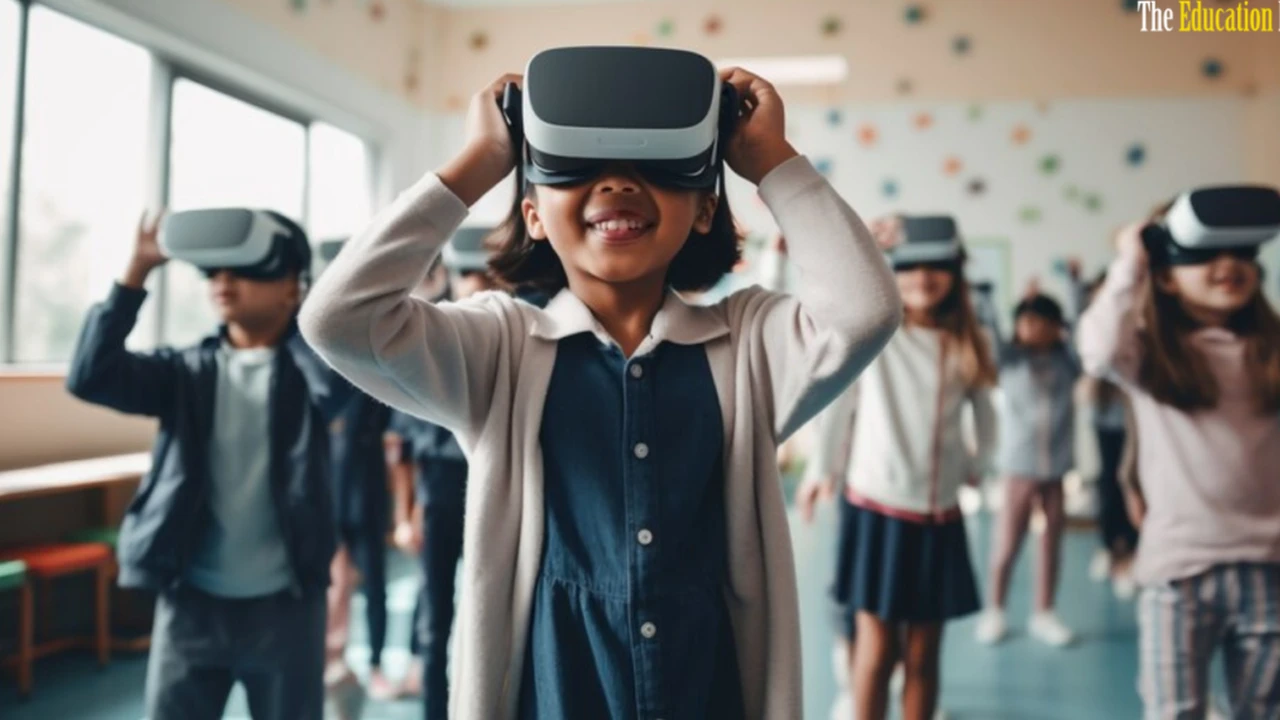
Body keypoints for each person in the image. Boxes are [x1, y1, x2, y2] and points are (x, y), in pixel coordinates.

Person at [300, 56, 901, 718]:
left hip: (705, 686)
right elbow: (339, 319)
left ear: (705, 211)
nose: (618, 183)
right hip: (554, 687)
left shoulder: (748, 346)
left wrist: (772, 160)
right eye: (579, 169)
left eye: (653, 168)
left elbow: (864, 310)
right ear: (532, 215)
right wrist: (477, 163)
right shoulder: (498, 349)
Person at [66, 210, 344, 720]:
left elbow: (342, 394)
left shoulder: (311, 373)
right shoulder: (184, 372)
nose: (223, 281)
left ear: (292, 287)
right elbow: (90, 375)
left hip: (286, 607)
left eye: (244, 270)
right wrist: (135, 274)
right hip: (191, 604)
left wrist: (308, 318)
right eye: (214, 272)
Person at [1078, 199, 1280, 719]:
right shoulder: (1151, 358)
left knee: (1256, 710)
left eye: (1241, 251)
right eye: (1204, 253)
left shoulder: (1272, 354)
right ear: (1165, 278)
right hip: (1180, 571)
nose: (1227, 263)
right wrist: (1131, 260)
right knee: (1176, 711)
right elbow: (1097, 349)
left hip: (1268, 567)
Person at [798, 215, 996, 720]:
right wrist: (822, 469)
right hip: (878, 510)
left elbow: (985, 411)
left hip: (940, 515)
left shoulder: (969, 341)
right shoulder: (879, 332)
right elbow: (837, 405)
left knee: (924, 655)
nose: (922, 278)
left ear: (954, 270)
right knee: (877, 649)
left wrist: (981, 464)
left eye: (936, 266)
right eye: (908, 267)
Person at [388, 226, 499, 719]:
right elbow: (403, 448)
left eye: (484, 272)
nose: (474, 281)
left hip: (498, 489)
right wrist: (404, 513)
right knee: (435, 615)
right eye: (466, 272)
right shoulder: (429, 338)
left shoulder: (513, 332)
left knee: (495, 614)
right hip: (440, 490)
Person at [974, 280, 1081, 648]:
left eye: (1042, 322)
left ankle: (1044, 612)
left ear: (1057, 327)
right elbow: (990, 331)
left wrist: (1073, 287)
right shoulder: (1011, 361)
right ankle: (995, 609)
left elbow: (1081, 333)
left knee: (1052, 542)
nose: (1032, 328)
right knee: (1007, 543)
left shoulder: (1067, 362)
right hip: (1018, 468)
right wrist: (988, 297)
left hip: (1056, 471)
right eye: (1026, 321)